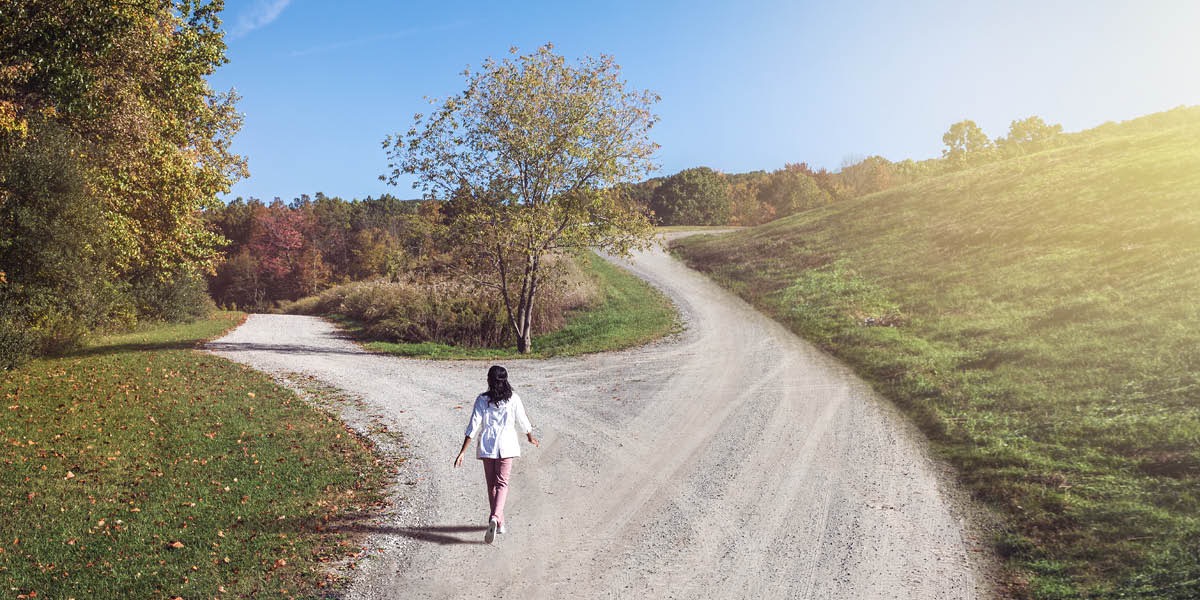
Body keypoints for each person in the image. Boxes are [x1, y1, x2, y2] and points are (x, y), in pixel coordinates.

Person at [454, 365, 539, 544]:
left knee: (492, 485)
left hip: (488, 445)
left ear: (489, 380)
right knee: (503, 484)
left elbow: (473, 425)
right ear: (505, 380)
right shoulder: (514, 399)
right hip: (507, 444)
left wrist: (462, 451)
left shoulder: (482, 400)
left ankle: (498, 522)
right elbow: (522, 420)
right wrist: (530, 437)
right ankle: (496, 517)